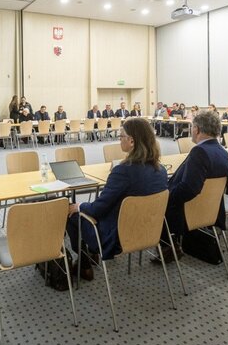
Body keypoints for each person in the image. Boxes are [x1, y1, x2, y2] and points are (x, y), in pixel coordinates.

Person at [67, 118, 168, 280]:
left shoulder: (123, 171)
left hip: (116, 237)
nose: (119, 139)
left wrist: (79, 206)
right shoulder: (161, 170)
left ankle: (84, 264)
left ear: (132, 141)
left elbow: (98, 209)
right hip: (148, 232)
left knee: (71, 214)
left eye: (121, 136)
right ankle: (90, 256)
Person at [156, 111, 228, 262]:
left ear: (196, 129)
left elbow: (189, 188)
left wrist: (167, 197)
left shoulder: (200, 151)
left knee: (159, 203)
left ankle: (168, 248)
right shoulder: (222, 151)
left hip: (190, 209)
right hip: (211, 208)